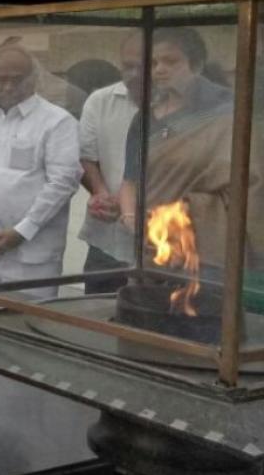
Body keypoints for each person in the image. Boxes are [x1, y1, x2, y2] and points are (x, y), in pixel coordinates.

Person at [0, 43, 80, 300]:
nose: (9, 87)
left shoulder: (57, 122)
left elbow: (63, 182)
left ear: (34, 79)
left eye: (17, 79)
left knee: (28, 326)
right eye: (2, 79)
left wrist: (23, 230)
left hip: (31, 255)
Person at [118, 27, 239, 269]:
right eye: (153, 63)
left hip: (205, 245)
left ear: (197, 63)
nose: (160, 69)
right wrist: (133, 220)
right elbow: (130, 179)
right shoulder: (145, 117)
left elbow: (241, 183)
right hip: (154, 240)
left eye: (170, 61)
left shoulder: (228, 112)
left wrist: (185, 213)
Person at [77, 32, 141, 294]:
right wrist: (101, 194)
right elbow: (86, 157)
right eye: (128, 66)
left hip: (162, 241)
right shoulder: (100, 101)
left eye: (142, 65)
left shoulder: (177, 104)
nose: (135, 73)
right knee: (97, 311)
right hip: (107, 238)